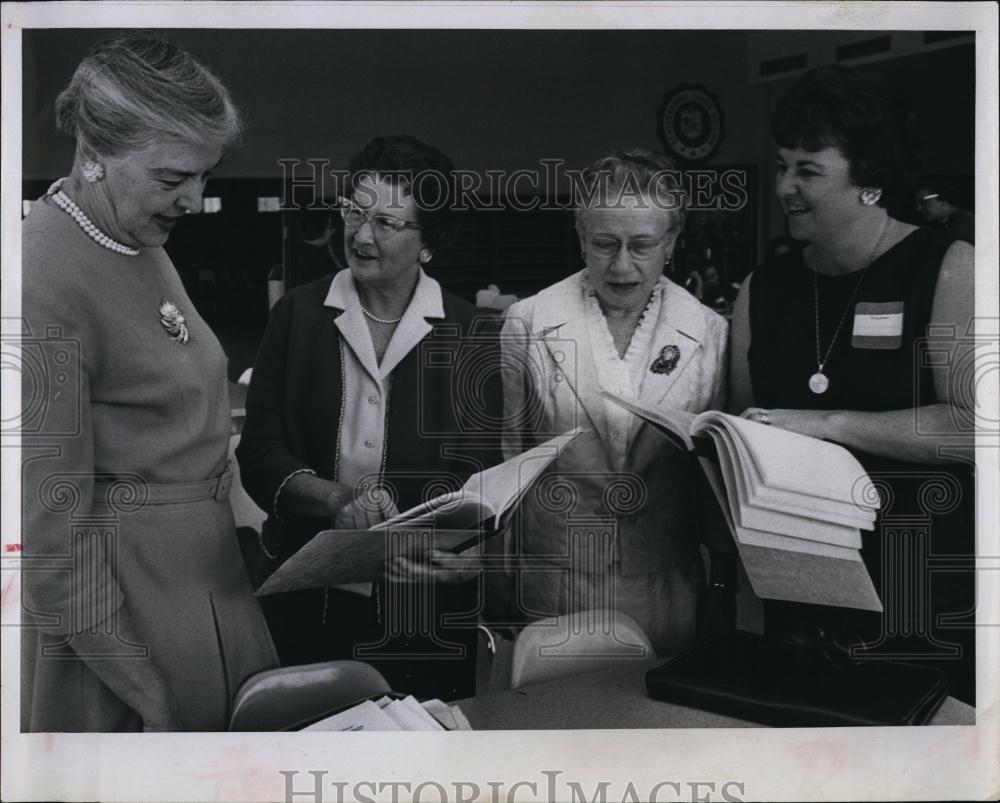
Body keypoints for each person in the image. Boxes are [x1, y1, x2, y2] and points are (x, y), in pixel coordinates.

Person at [20, 33, 277, 732]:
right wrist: (145, 688)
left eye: (206, 175)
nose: (194, 200)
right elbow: (51, 539)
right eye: (172, 178)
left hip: (201, 586)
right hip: (126, 626)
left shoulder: (134, 238)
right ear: (95, 155)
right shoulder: (42, 274)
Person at [730, 65, 976, 703]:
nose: (785, 186)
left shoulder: (949, 267)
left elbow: (976, 429)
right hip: (799, 604)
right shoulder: (764, 289)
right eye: (783, 165)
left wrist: (827, 424)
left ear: (870, 181)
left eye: (808, 170)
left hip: (924, 598)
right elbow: (740, 428)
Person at [236, 135, 501, 701]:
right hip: (308, 597)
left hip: (426, 604)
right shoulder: (298, 316)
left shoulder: (469, 331)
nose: (360, 235)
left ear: (428, 243)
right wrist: (336, 500)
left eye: (386, 222)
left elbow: (480, 474)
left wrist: (471, 551)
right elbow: (259, 453)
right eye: (354, 211)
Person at [498, 148, 730, 655]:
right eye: (604, 243)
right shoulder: (529, 322)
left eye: (641, 244)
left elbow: (715, 474)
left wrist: (721, 584)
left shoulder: (710, 333)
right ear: (581, 238)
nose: (621, 265)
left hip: (665, 576)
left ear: (671, 243)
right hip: (558, 573)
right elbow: (508, 461)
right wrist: (503, 577)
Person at [914, 176, 975, 244]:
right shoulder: (943, 225)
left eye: (923, 202)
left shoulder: (964, 223)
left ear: (943, 201)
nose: (918, 208)